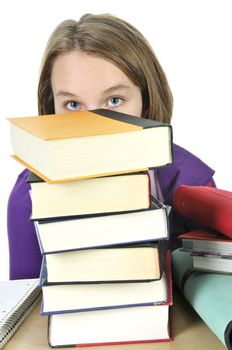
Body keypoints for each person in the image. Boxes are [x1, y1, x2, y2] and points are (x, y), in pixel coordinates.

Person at [7, 13, 215, 280]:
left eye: (114, 100)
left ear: (146, 101)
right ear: (51, 111)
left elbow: (214, 296)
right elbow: (25, 304)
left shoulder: (190, 184)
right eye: (72, 105)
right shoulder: (30, 197)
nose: (95, 125)